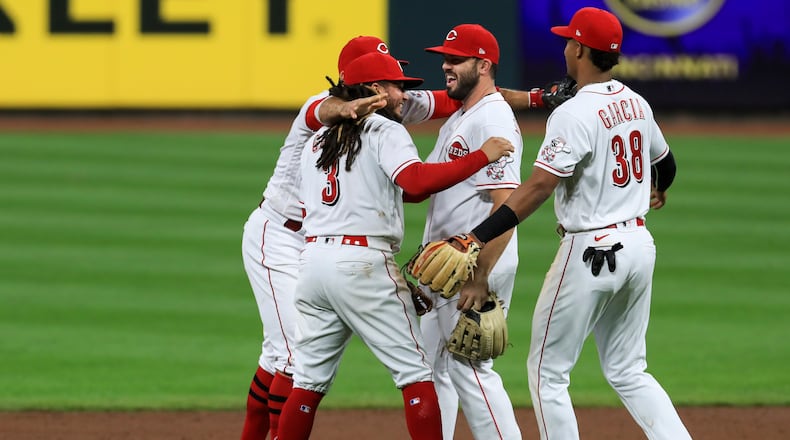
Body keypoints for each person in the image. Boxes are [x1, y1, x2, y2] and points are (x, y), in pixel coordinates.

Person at [239, 34, 561, 440]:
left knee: (307, 381)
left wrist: (534, 98)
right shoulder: (366, 125)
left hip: (313, 264)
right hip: (347, 260)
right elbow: (412, 184)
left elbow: (451, 100)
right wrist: (482, 155)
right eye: (395, 85)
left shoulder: (320, 140)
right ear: (372, 90)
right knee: (417, 374)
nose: (404, 94)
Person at [453, 7, 692, 440]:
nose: (565, 47)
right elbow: (666, 163)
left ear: (580, 49)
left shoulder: (573, 113)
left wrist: (477, 235)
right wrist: (658, 188)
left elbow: (540, 187)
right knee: (628, 369)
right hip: (639, 246)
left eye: (568, 41)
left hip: (590, 253)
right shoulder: (636, 101)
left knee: (547, 373)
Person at [417, 23, 524, 440]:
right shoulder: (464, 116)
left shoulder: (493, 118)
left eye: (456, 59)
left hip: (474, 264)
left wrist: (480, 277)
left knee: (470, 369)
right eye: (445, 57)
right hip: (448, 265)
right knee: (431, 367)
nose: (446, 66)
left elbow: (508, 204)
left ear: (483, 65)